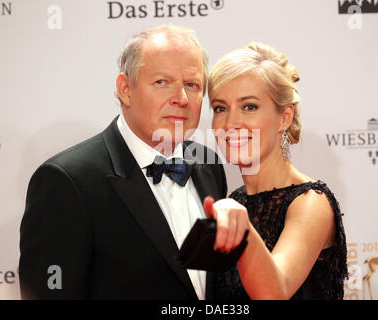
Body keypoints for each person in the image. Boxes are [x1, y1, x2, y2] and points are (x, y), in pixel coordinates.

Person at [18, 25, 227, 299]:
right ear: (125, 90)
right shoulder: (67, 181)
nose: (181, 99)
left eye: (192, 84)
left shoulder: (209, 164)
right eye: (162, 82)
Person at [204, 42, 348, 300]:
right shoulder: (234, 202)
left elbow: (274, 293)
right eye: (220, 108)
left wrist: (242, 226)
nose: (231, 122)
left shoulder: (310, 203)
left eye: (249, 106)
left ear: (285, 117)